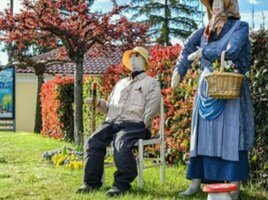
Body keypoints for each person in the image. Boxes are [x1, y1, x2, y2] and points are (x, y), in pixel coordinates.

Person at [171, 0, 254, 199]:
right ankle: (195, 182)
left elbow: (233, 50)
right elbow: (186, 49)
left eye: (220, 1)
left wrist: (204, 52)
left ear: (229, 4)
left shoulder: (240, 27)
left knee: (231, 137)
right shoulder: (205, 31)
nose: (215, 5)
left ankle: (233, 185)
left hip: (230, 88)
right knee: (202, 136)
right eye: (212, 2)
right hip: (207, 88)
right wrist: (178, 70)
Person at [76, 46, 161, 197]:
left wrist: (143, 126)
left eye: (138, 58)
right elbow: (110, 107)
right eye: (132, 58)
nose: (134, 62)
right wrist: (98, 103)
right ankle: (91, 183)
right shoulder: (120, 83)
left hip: (134, 124)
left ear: (145, 62)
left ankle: (122, 184)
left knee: (120, 143)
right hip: (112, 122)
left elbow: (152, 109)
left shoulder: (151, 83)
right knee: (92, 141)